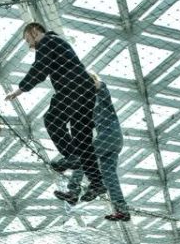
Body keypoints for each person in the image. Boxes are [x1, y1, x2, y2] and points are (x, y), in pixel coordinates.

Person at [6, 22, 104, 198]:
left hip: (71, 88)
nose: (28, 44)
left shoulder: (47, 41)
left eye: (27, 39)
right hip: (86, 91)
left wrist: (20, 89)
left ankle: (71, 155)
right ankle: (97, 184)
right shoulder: (57, 42)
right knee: (82, 139)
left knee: (52, 119)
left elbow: (39, 69)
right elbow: (44, 68)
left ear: (34, 31)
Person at [54, 73, 129, 222]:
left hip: (110, 136)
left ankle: (73, 191)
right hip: (112, 142)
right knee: (109, 176)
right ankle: (122, 210)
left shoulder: (101, 95)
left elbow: (99, 85)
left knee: (84, 155)